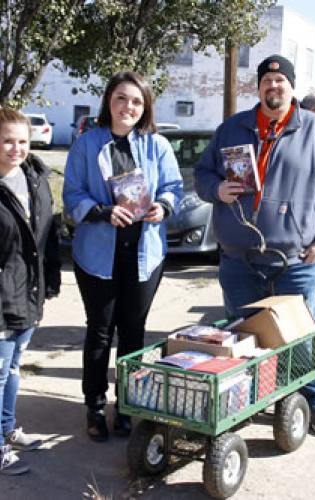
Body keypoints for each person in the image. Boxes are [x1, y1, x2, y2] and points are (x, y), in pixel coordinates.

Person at [194, 54, 315, 436]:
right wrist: (216, 189)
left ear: (291, 87)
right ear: (259, 86)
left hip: (296, 261)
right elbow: (202, 174)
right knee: (243, 338)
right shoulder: (232, 129)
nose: (273, 87)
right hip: (239, 259)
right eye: (267, 80)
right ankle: (247, 401)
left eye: (281, 82)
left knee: (300, 335)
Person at [63, 71, 183, 442]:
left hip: (145, 254)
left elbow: (173, 188)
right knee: (99, 331)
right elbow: (71, 193)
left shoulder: (157, 146)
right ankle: (95, 406)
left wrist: (163, 206)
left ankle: (130, 404)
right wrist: (101, 211)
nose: (127, 106)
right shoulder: (87, 144)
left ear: (145, 105)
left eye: (135, 100)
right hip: (98, 253)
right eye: (120, 98)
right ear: (108, 102)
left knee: (134, 332)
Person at [0, 108, 61, 474]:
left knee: (14, 368)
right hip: (3, 298)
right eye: (7, 140)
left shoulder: (36, 177)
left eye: (22, 141)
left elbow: (47, 234)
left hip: (29, 295)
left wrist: (50, 279)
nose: (16, 148)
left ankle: (7, 430)